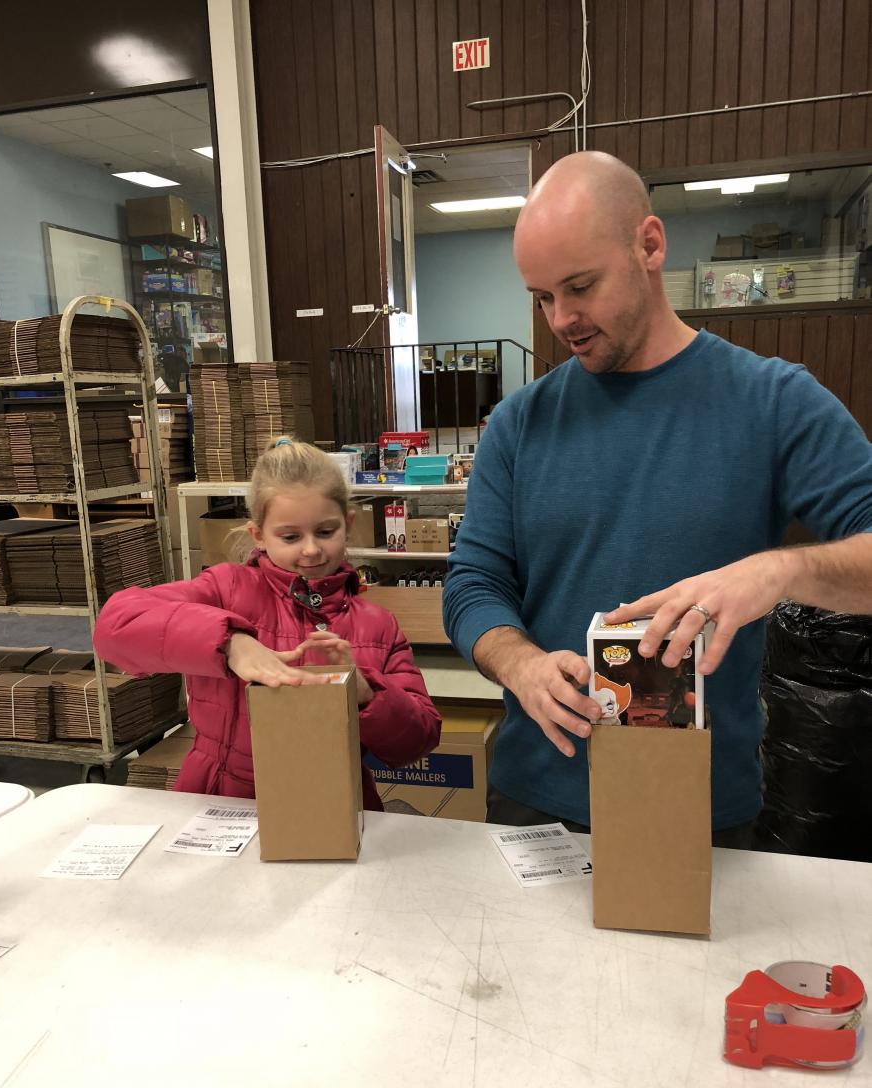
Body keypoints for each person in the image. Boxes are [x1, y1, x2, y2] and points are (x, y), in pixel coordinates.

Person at [442, 150, 872, 845]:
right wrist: (519, 663)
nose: (561, 318)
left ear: (649, 244)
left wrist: (780, 572)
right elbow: (472, 585)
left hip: (696, 809)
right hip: (537, 804)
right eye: (543, 297)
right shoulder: (519, 424)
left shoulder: (772, 401)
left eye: (580, 286)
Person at [95, 438, 441, 806]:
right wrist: (230, 641)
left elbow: (417, 741)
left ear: (348, 523)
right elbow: (115, 626)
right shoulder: (226, 588)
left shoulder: (378, 625)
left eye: (325, 532)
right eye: (290, 537)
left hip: (333, 805)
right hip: (223, 801)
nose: (310, 549)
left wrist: (366, 691)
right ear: (258, 534)